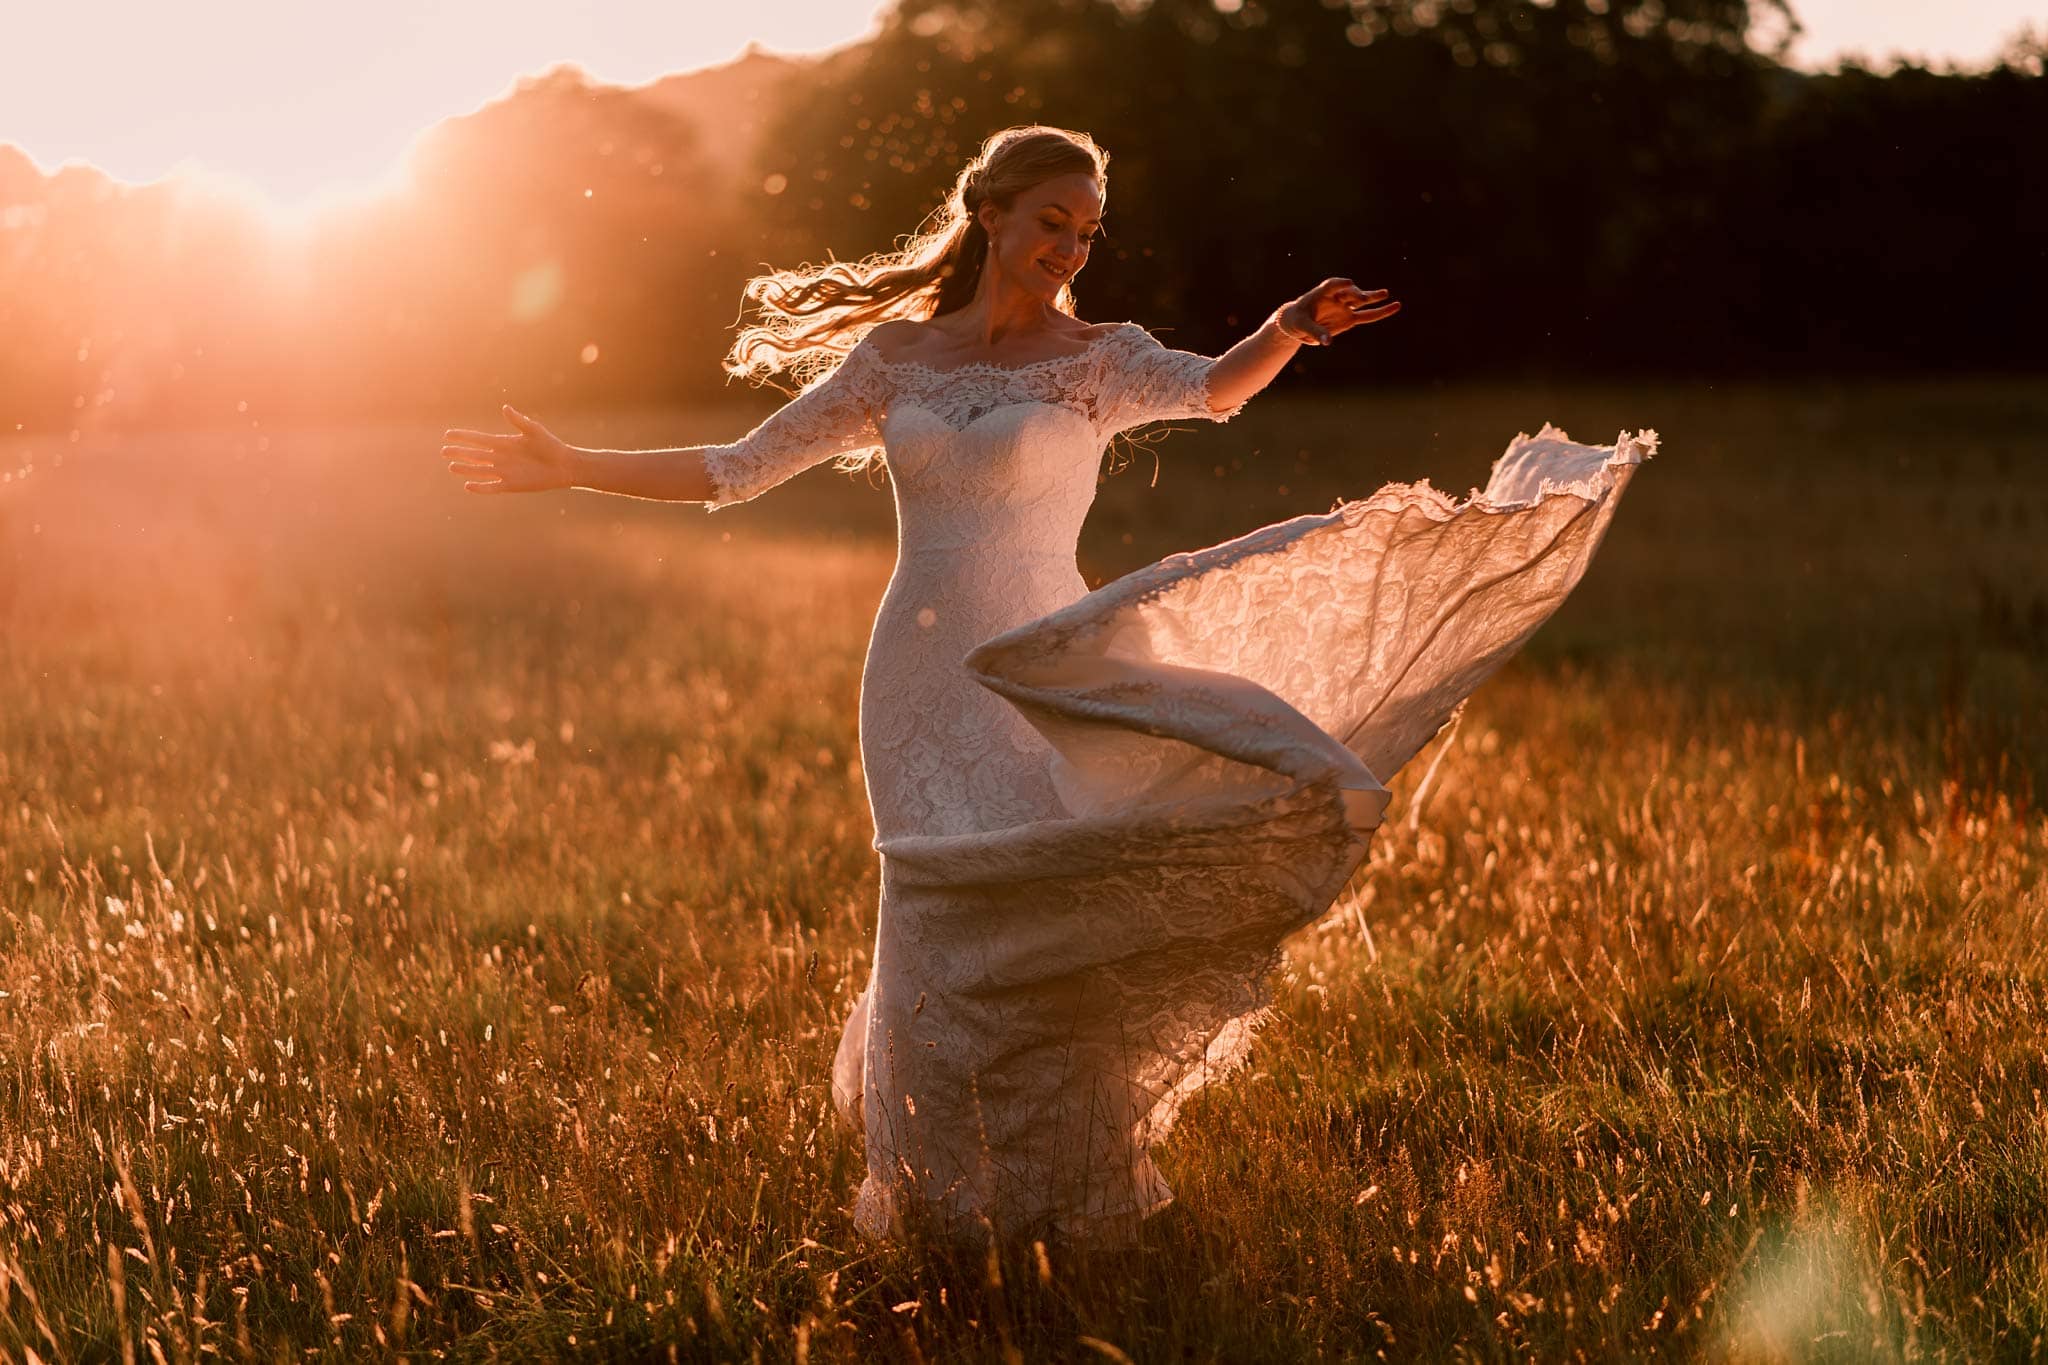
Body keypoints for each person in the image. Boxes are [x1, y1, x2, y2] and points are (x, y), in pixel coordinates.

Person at [441, 124, 1650, 1249]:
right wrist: (571, 466)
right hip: (916, 668)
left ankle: (1067, 1182)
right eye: (1050, 221)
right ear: (988, 212)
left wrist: (1289, 326)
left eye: (1087, 230)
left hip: (1041, 656)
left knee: (1046, 884)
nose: (1069, 247)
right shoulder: (894, 360)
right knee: (933, 902)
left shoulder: (1097, 361)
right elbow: (734, 469)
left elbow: (1212, 389)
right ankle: (932, 1198)